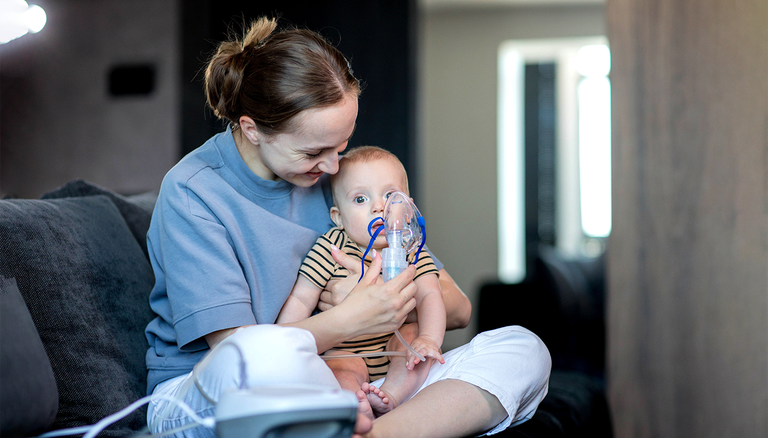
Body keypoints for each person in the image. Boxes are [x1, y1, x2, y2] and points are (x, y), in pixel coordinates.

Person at [144, 16, 551, 438]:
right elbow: (239, 354)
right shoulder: (194, 193)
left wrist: (386, 300)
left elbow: (459, 308)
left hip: (357, 375)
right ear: (252, 129)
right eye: (315, 151)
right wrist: (351, 315)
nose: (334, 167)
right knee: (259, 354)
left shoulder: (341, 183)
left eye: (340, 147)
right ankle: (352, 417)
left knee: (523, 350)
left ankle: (374, 431)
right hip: (217, 388)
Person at [277, 146, 446, 419]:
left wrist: (429, 338)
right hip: (346, 349)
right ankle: (354, 407)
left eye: (391, 195)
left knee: (414, 341)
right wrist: (286, 337)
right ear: (338, 218)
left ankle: (391, 396)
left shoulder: (412, 249)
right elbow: (301, 298)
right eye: (360, 199)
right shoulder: (332, 248)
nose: (380, 206)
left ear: (409, 207)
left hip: (395, 343)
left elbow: (430, 296)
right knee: (340, 368)